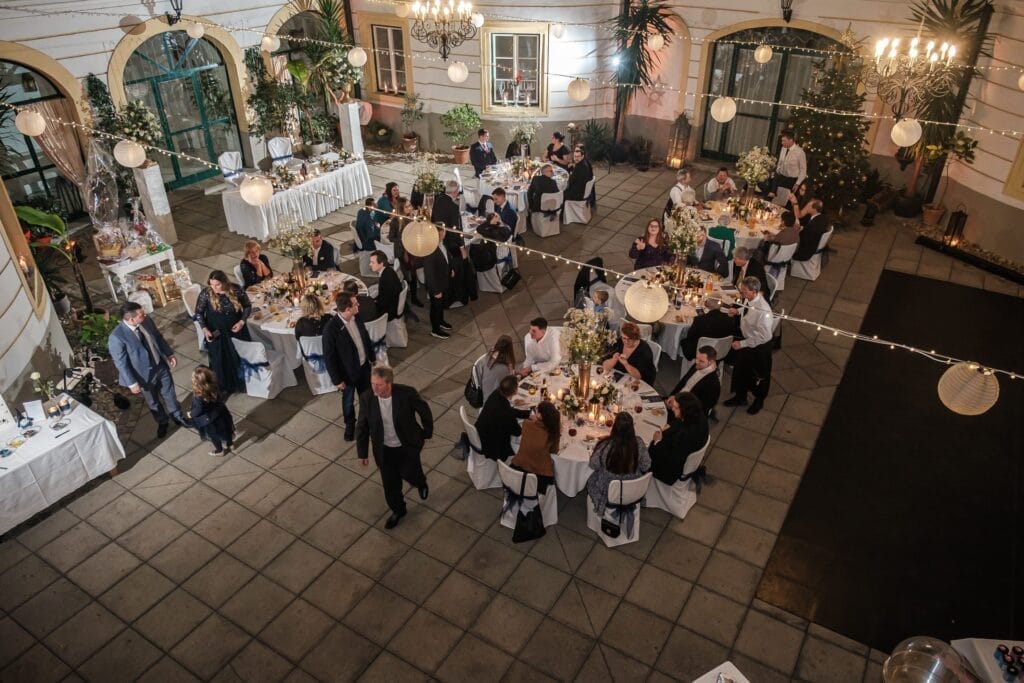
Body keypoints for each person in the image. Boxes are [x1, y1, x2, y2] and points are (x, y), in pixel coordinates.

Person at [356, 365, 432, 529]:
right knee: (390, 486)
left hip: (406, 446)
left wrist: (427, 431)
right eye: (372, 383)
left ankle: (420, 482)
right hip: (384, 450)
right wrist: (362, 453)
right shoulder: (366, 398)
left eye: (379, 385)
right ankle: (398, 510)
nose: (374, 388)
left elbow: (424, 410)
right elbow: (362, 426)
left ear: (389, 383)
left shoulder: (406, 393)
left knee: (411, 473)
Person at [108, 301, 188, 438]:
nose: (145, 316)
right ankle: (162, 422)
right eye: (141, 315)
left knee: (170, 394)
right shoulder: (116, 337)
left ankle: (177, 416)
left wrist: (169, 353)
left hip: (160, 366)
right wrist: (132, 383)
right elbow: (121, 363)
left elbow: (158, 337)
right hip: (143, 376)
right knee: (153, 402)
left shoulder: (147, 321)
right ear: (131, 319)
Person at [323, 291, 374, 440]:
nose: (358, 305)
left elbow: (365, 338)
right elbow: (329, 358)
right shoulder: (331, 330)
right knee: (348, 402)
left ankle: (367, 423)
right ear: (347, 309)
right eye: (355, 304)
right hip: (347, 374)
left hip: (364, 368)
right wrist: (337, 380)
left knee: (367, 398)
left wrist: (373, 358)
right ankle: (350, 425)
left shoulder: (356, 317)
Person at [195, 270, 252, 396]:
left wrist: (242, 322)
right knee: (219, 359)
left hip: (235, 329)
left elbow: (247, 306)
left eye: (217, 285)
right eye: (211, 285)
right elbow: (198, 313)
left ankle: (243, 383)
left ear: (224, 282)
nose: (214, 288)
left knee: (238, 356)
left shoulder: (236, 289)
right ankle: (224, 387)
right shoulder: (206, 294)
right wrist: (205, 329)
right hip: (217, 331)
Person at [724, 277, 775, 415]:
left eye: (744, 290)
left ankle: (759, 400)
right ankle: (740, 397)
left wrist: (742, 343)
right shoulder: (750, 299)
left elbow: (764, 336)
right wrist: (738, 311)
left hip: (760, 348)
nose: (742, 292)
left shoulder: (764, 311)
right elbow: (747, 309)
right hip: (749, 341)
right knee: (741, 369)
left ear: (754, 291)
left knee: (758, 376)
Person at [587, 413, 651, 515]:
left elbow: (593, 465)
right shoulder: (638, 443)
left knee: (591, 479)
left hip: (608, 491)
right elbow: (646, 465)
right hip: (633, 490)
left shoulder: (605, 446)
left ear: (615, 427)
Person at [649, 392, 709, 485]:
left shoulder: (685, 436)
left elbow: (671, 460)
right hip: (684, 455)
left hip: (668, 471)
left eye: (676, 408)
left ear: (685, 410)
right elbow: (681, 423)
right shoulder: (699, 416)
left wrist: (657, 442)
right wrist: (671, 426)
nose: (673, 409)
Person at [430, 180, 469, 304]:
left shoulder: (438, 200)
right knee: (457, 269)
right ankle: (457, 295)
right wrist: (462, 247)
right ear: (454, 192)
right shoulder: (453, 207)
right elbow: (455, 230)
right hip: (451, 244)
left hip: (438, 240)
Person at [475, 375, 531, 461]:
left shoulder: (496, 393)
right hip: (492, 446)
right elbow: (517, 432)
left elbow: (509, 410)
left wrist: (528, 414)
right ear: (515, 391)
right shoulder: (506, 413)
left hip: (480, 432)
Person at [510, 400, 560, 495]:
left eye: (537, 410)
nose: (535, 411)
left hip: (519, 469)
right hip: (540, 475)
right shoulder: (552, 433)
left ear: (540, 416)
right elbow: (554, 451)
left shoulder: (526, 424)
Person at [189, 366, 235, 456]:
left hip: (209, 420)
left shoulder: (198, 396)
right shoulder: (214, 385)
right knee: (227, 430)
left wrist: (191, 414)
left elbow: (198, 409)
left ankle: (219, 450)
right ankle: (230, 444)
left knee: (214, 436)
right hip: (221, 413)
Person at [389, 197, 423, 308]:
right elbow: (391, 237)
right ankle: (407, 297)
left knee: (413, 274)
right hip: (402, 252)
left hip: (413, 249)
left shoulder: (413, 217)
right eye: (407, 206)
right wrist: (404, 238)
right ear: (402, 208)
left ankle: (414, 297)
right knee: (408, 276)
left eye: (410, 205)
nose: (411, 208)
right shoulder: (395, 221)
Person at [669, 346, 721, 417]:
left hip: (686, 412)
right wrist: (671, 396)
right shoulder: (697, 365)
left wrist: (677, 405)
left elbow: (700, 408)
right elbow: (682, 383)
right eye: (696, 358)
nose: (696, 362)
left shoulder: (713, 384)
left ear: (710, 362)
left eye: (701, 361)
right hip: (677, 399)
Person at [423, 225, 454, 339]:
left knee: (440, 305)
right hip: (435, 284)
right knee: (435, 307)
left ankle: (440, 321)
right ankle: (435, 329)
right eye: (440, 233)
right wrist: (436, 290)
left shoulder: (442, 244)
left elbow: (447, 258)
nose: (442, 235)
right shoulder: (430, 249)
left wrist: (451, 269)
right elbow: (429, 273)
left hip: (443, 281)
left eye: (443, 232)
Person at [601, 321, 657, 385]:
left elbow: (638, 376)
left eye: (630, 339)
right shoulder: (619, 342)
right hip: (621, 377)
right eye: (624, 338)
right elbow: (605, 366)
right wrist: (614, 359)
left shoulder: (644, 351)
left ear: (636, 338)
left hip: (640, 382)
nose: (626, 342)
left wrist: (626, 364)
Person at [473, 335, 518, 402]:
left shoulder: (485, 358)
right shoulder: (505, 368)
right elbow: (510, 387)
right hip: (495, 401)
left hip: (483, 396)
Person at [772, 129, 807, 196]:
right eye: (782, 140)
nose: (782, 143)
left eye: (784, 141)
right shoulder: (783, 148)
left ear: (791, 140)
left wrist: (797, 183)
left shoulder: (800, 152)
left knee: (785, 200)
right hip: (781, 178)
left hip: (791, 181)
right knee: (776, 198)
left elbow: (803, 170)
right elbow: (780, 162)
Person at [370, 250, 402, 321]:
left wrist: (373, 301)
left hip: (389, 311)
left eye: (373, 262)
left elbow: (384, 302)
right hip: (394, 304)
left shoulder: (385, 278)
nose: (370, 264)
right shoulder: (388, 270)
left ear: (381, 264)